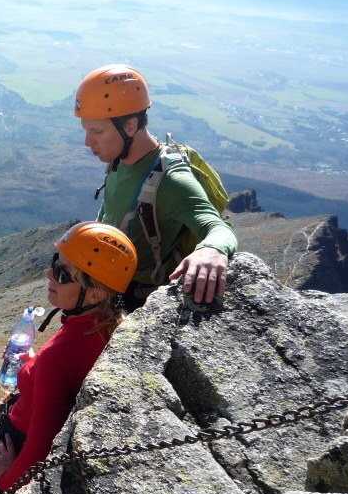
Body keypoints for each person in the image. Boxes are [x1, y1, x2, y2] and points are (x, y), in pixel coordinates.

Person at [0, 220, 137, 494]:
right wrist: (31, 363)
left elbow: (40, 448)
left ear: (95, 292)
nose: (50, 275)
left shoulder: (66, 350)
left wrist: (3, 479)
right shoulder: (101, 327)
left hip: (15, 451)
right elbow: (61, 375)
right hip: (22, 441)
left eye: (63, 273)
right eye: (55, 265)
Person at [74, 64, 237, 311]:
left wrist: (213, 249)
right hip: (107, 286)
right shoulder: (120, 157)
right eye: (87, 130)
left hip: (136, 301)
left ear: (129, 126)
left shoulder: (171, 178)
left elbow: (216, 227)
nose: (88, 142)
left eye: (96, 131)